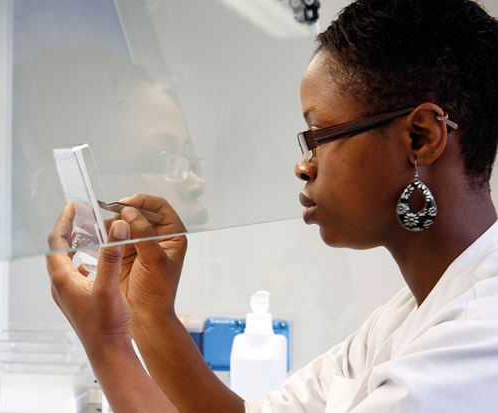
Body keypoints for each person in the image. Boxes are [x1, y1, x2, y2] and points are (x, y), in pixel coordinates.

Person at [46, 0, 498, 411]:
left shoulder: (476, 344)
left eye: (318, 136)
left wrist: (106, 340)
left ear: (420, 138)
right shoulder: (404, 318)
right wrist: (149, 313)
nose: (303, 166)